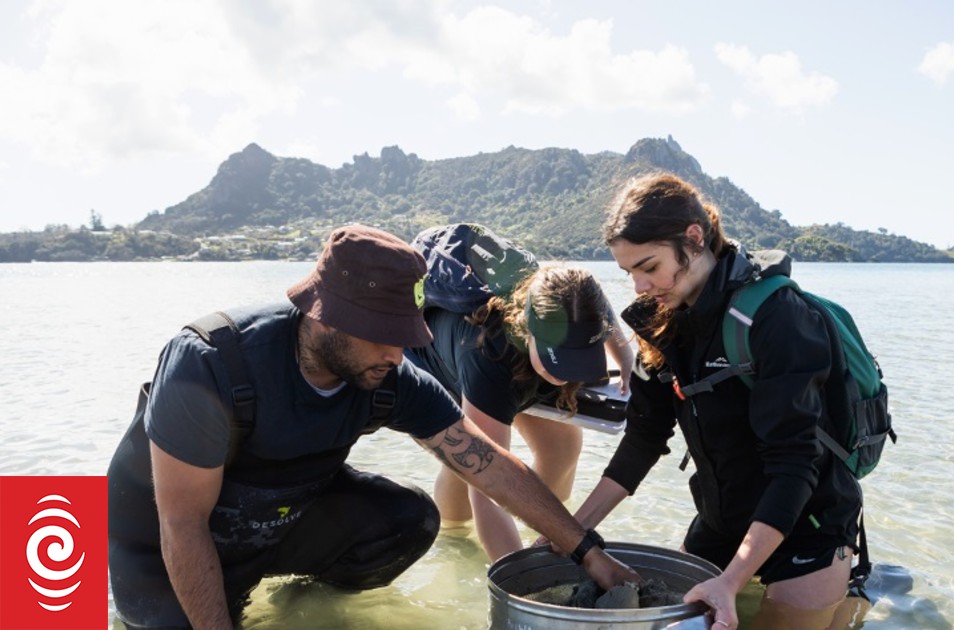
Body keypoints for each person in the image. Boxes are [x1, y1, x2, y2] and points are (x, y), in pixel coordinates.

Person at [106, 225, 639, 630]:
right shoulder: (210, 364)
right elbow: (182, 525)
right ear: (324, 318)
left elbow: (491, 467)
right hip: (161, 543)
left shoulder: (390, 374)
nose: (399, 353)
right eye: (384, 336)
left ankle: (300, 603)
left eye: (406, 334)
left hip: (276, 522)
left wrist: (588, 551)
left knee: (407, 521)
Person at [570, 173, 866, 629]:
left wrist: (730, 582)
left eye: (649, 267)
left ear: (694, 237)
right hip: (721, 520)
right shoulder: (656, 321)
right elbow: (644, 439)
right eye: (629, 273)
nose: (640, 288)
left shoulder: (777, 316)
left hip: (809, 520)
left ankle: (852, 592)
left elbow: (795, 464)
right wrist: (572, 534)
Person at [405, 264, 636, 561]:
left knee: (562, 448)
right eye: (560, 362)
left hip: (525, 361)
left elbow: (599, 305)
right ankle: (455, 542)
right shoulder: (487, 355)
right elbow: (487, 485)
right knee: (468, 466)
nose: (566, 376)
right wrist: (520, 581)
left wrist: (626, 360)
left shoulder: (577, 302)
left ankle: (544, 535)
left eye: (577, 361)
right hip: (439, 362)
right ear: (528, 330)